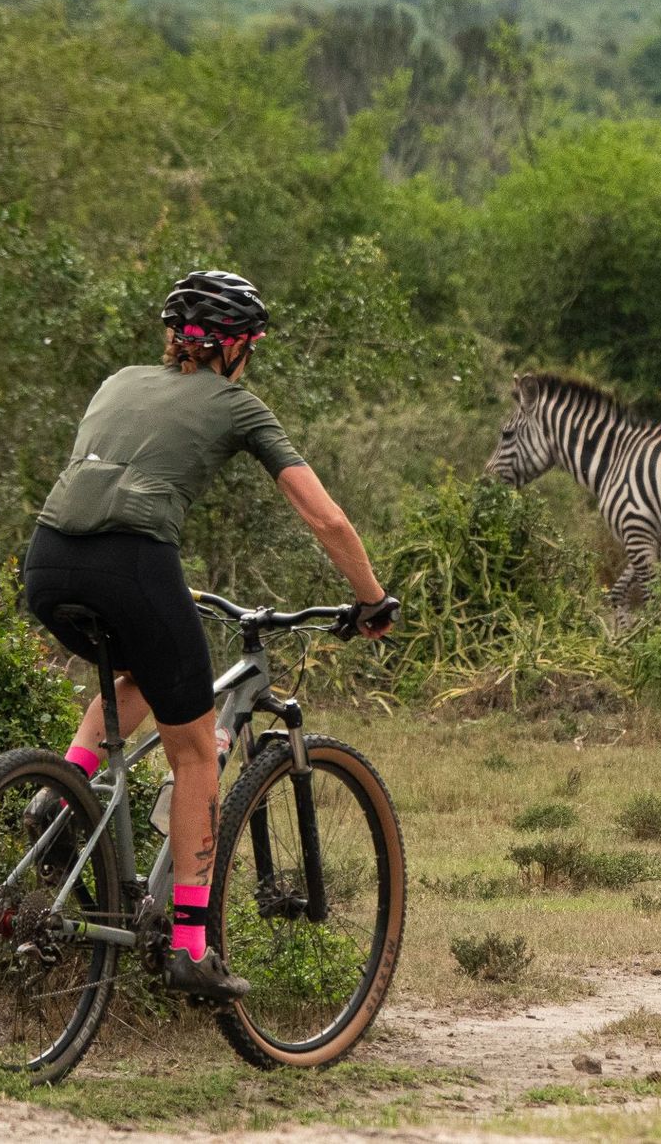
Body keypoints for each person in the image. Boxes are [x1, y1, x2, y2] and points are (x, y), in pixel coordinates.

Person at [22, 270, 396, 1000]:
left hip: (47, 561)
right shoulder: (238, 403)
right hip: (134, 561)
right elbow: (326, 519)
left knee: (133, 675)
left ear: (175, 341)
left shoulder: (118, 381)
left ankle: (59, 796)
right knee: (196, 752)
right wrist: (371, 599)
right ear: (236, 349)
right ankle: (190, 945)